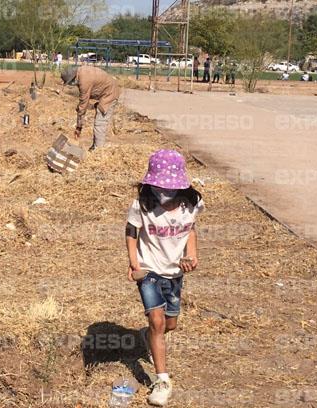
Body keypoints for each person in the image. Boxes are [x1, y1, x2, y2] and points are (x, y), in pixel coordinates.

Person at [125, 149, 204, 407]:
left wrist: (191, 256)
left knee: (170, 325)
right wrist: (134, 262)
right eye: (159, 186)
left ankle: (150, 334)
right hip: (148, 270)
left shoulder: (191, 205)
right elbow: (131, 232)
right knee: (157, 322)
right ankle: (162, 381)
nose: (164, 192)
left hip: (174, 272)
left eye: (169, 187)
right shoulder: (142, 205)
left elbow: (191, 230)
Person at [60, 65, 120, 151]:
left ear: (73, 78)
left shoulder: (84, 81)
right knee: (98, 122)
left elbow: (83, 104)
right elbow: (84, 102)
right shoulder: (82, 72)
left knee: (100, 124)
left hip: (109, 95)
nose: (71, 85)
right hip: (107, 92)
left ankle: (99, 151)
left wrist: (79, 127)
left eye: (69, 83)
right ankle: (95, 146)